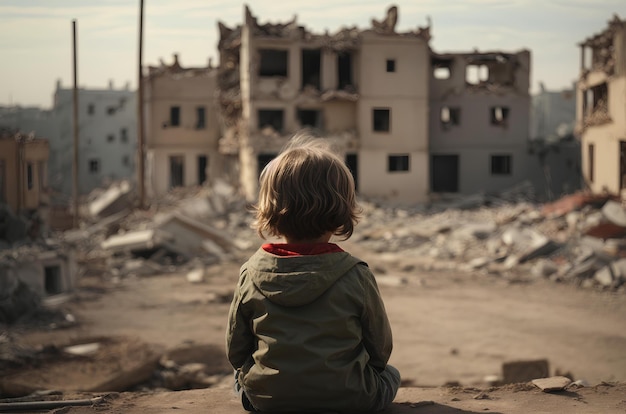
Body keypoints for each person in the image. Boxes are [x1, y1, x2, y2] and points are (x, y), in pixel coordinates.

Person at [226, 133, 401, 412]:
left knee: (239, 378)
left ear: (271, 211)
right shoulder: (356, 274)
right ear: (341, 209)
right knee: (391, 375)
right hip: (350, 398)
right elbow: (380, 351)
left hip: (269, 401)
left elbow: (236, 351)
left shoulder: (250, 273)